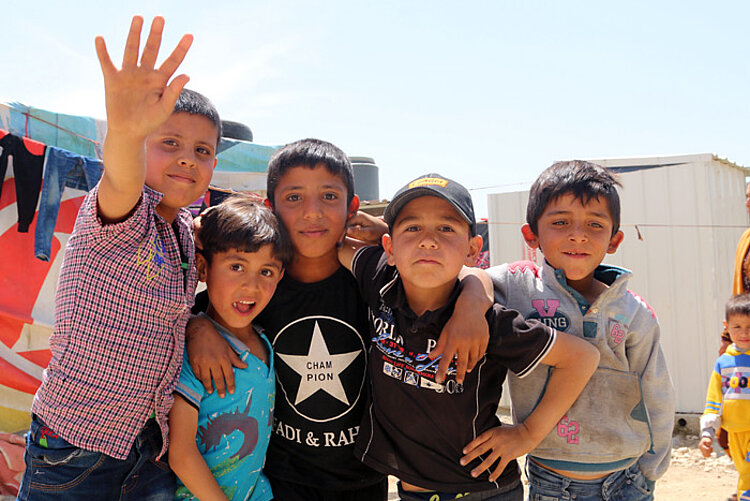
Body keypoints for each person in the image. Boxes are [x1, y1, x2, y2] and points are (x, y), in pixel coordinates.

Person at [187, 140, 493, 501]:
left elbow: (467, 277)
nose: (312, 213)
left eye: (329, 197)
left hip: (364, 479)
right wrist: (197, 326)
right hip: (278, 481)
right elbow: (198, 313)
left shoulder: (377, 279)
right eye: (294, 198)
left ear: (352, 207)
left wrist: (473, 303)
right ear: (270, 208)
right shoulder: (261, 283)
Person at [17, 16, 218, 500]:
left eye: (203, 150)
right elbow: (123, 176)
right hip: (74, 446)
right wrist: (125, 133)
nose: (187, 158)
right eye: (168, 142)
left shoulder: (185, 235)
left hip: (148, 447)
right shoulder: (121, 211)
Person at [338, 173, 600, 500]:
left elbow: (581, 358)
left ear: (473, 250)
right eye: (412, 228)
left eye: (446, 228)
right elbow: (332, 245)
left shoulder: (488, 323)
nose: (428, 241)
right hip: (412, 491)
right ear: (389, 247)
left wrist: (527, 434)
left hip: (482, 490)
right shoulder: (380, 280)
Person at [488, 160, 675, 500]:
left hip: (628, 481)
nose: (578, 234)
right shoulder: (517, 286)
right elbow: (467, 277)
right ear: (532, 235)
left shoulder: (634, 312)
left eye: (594, 224)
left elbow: (657, 391)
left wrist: (650, 471)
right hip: (553, 484)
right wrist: (473, 295)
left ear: (614, 240)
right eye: (560, 222)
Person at [169, 197, 293, 500]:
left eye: (266, 271)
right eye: (236, 266)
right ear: (202, 267)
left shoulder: (265, 341)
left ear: (280, 276)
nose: (251, 286)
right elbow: (181, 454)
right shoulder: (191, 354)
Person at [699, 293, 750, 501]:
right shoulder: (723, 363)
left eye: (749, 326)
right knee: (744, 473)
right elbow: (713, 401)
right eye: (737, 327)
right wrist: (707, 434)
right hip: (734, 432)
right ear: (726, 326)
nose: (744, 333)